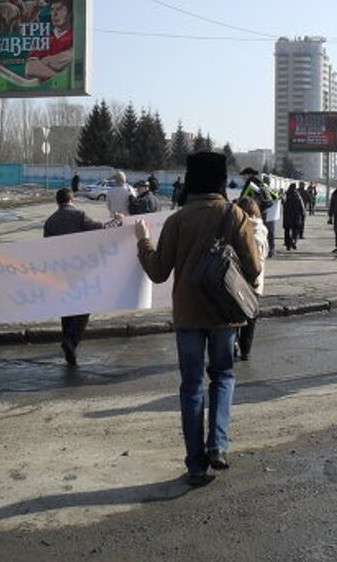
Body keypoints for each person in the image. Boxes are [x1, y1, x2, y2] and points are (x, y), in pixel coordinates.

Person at [134, 152, 261, 486]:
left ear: (190, 180)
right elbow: (255, 268)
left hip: (188, 315)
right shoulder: (234, 214)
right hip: (224, 314)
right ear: (221, 180)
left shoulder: (178, 219)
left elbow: (159, 272)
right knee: (223, 375)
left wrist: (143, 241)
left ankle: (194, 465)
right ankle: (217, 445)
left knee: (191, 386)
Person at [44, 188, 123, 366]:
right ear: (72, 200)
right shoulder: (79, 215)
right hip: (81, 269)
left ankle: (67, 341)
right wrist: (117, 221)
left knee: (67, 308)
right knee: (85, 306)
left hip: (61, 271)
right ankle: (71, 342)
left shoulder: (50, 222)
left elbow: (45, 250)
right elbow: (102, 230)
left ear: (57, 202)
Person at [235, 197, 268, 361]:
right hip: (256, 280)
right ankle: (245, 350)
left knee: (234, 314)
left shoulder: (238, 228)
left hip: (238, 279)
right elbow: (265, 253)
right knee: (251, 316)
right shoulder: (262, 228)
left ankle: (232, 346)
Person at [25, 0, 73, 82]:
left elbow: (72, 56)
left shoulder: (77, 35)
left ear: (70, 12)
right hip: (43, 90)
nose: (54, 14)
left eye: (59, 9)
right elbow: (30, 68)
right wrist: (59, 78)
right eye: (52, 9)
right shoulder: (44, 38)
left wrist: (46, 60)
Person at [283, 183, 305, 251]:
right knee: (295, 230)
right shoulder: (298, 196)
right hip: (296, 216)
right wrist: (303, 215)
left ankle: (287, 245)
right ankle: (293, 240)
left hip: (287, 216)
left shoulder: (286, 195)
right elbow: (302, 207)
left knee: (287, 231)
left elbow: (282, 203)